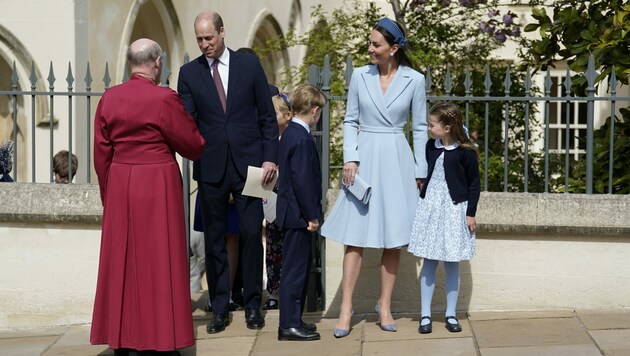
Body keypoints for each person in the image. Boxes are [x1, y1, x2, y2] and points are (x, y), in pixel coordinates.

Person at [90, 38, 206, 356]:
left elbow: (101, 154)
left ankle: (124, 340)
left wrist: (108, 193)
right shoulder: (164, 98)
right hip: (157, 184)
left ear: (131, 64)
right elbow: (192, 145)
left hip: (120, 183)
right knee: (160, 261)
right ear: (156, 63)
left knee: (123, 264)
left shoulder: (109, 99)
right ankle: (162, 339)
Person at [320, 17, 428, 338]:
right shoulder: (358, 76)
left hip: (397, 160)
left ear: (393, 48)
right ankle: (346, 307)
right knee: (355, 238)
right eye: (369, 42)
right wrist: (350, 157)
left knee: (393, 238)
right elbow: (350, 120)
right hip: (364, 160)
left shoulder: (415, 80)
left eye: (376, 44)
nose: (370, 49)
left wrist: (421, 171)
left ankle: (384, 306)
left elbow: (420, 128)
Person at [177, 10, 279, 334]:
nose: (204, 44)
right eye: (199, 39)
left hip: (252, 166)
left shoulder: (249, 66)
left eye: (209, 37)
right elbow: (187, 122)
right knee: (215, 241)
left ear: (222, 32)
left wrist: (269, 159)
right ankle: (219, 308)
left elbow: (266, 116)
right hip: (211, 167)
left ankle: (252, 305)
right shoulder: (188, 74)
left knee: (251, 235)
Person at [407, 102, 480, 334]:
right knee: (429, 260)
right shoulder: (431, 146)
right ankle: (425, 315)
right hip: (430, 208)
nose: (429, 128)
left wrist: (470, 214)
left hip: (454, 209)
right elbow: (425, 173)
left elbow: (474, 186)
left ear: (447, 127)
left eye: (432, 125)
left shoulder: (465, 153)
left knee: (452, 263)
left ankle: (451, 313)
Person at [276, 84, 325, 341]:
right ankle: (288, 325)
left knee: (298, 269)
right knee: (295, 271)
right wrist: (312, 215)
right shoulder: (301, 136)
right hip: (298, 215)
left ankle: (294, 319)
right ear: (314, 111)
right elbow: (303, 181)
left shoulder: (291, 133)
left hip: (293, 213)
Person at [263, 92, 293, 310]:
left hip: (289, 200)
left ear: (287, 115)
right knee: (272, 248)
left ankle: (289, 290)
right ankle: (273, 292)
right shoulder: (269, 138)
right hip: (271, 199)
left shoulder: (293, 137)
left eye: (274, 113)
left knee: (289, 248)